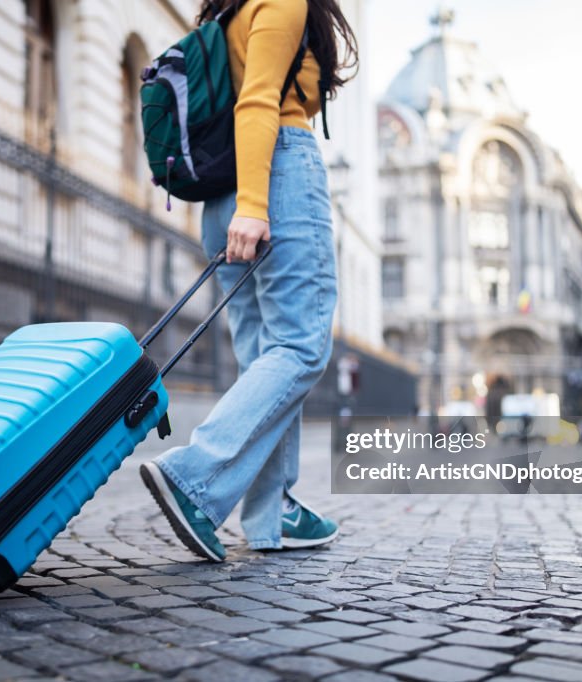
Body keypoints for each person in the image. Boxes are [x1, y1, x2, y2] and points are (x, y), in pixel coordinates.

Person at [139, 0, 358, 561]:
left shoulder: (229, 12)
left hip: (225, 193)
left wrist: (242, 207)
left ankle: (271, 513)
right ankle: (194, 477)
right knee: (301, 346)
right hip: (275, 174)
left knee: (266, 354)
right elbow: (260, 100)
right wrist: (256, 207)